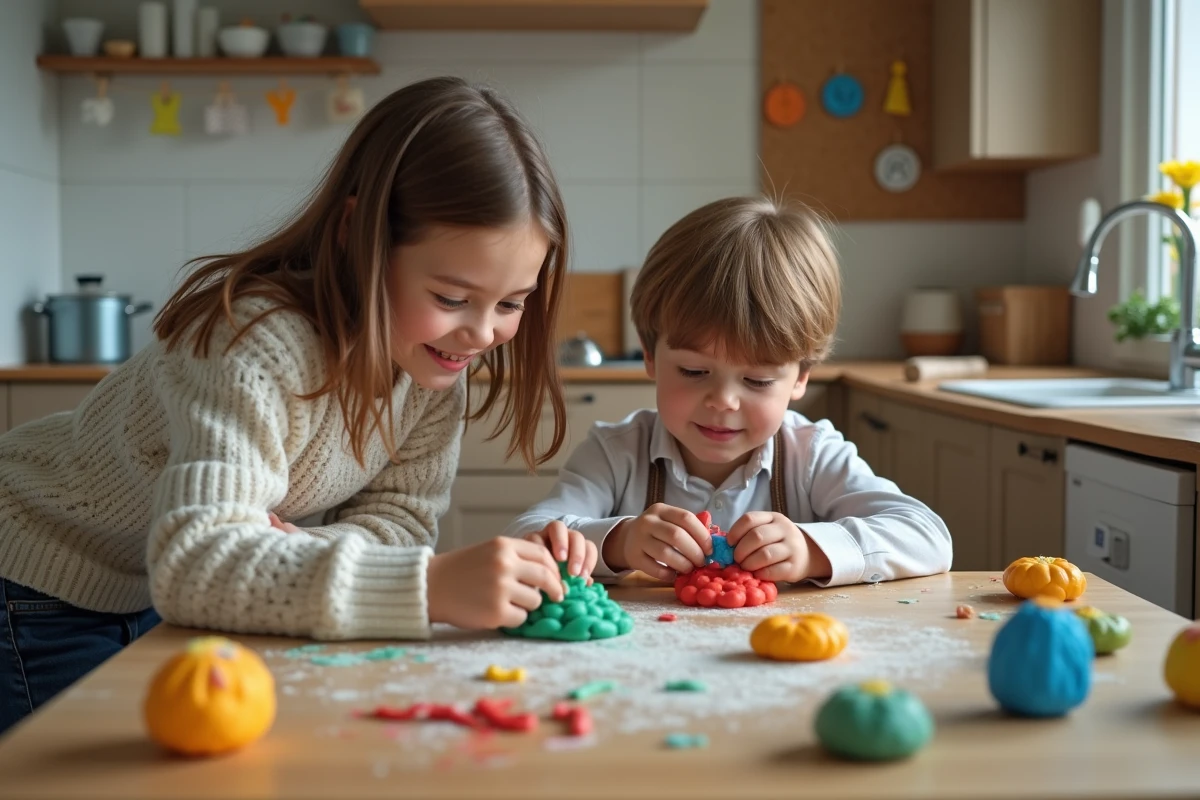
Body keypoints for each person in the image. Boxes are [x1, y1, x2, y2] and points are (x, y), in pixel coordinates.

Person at [0, 76, 578, 735]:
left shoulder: (434, 362)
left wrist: (295, 547)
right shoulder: (252, 341)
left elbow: (399, 523)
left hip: (159, 595)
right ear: (356, 232)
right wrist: (427, 586)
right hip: (39, 579)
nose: (480, 334)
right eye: (451, 297)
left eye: (511, 303)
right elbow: (196, 565)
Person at [508, 196, 953, 588]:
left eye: (757, 380)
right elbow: (524, 538)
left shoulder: (812, 457)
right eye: (694, 370)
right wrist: (618, 542)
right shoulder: (615, 453)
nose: (723, 401)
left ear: (801, 376)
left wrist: (810, 549)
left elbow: (927, 536)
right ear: (649, 354)